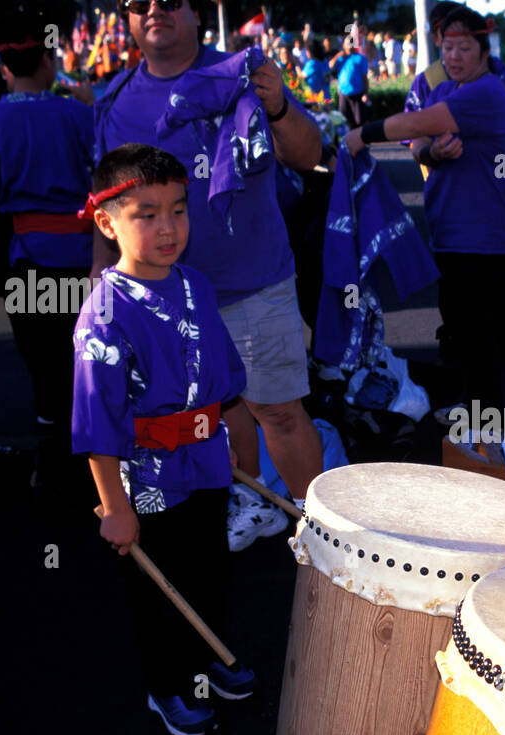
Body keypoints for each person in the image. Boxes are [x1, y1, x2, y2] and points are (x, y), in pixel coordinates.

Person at [93, 0, 324, 552]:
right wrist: (100, 290)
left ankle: (327, 533)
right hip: (165, 298)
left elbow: (309, 155)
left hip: (253, 283)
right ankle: (251, 499)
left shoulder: (245, 75)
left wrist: (279, 106)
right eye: (136, 4)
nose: (153, 10)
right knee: (215, 411)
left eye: (169, 1)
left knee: (279, 412)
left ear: (196, 13)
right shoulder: (114, 102)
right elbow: (106, 211)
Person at [74, 144, 256, 735]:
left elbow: (220, 377)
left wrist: (221, 439)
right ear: (107, 221)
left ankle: (205, 654)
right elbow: (97, 423)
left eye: (178, 210)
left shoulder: (195, 284)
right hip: (145, 477)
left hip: (203, 461)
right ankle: (166, 685)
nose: (168, 227)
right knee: (160, 583)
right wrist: (115, 508)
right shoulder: (105, 315)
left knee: (208, 567)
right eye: (145, 214)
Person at [345, 5, 505, 412]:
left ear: (482, 50)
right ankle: (470, 413)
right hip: (449, 234)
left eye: (464, 47)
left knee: (481, 338)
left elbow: (412, 124)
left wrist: (361, 135)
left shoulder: (488, 91)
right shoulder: (444, 90)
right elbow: (418, 141)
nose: (454, 56)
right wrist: (434, 152)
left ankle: (489, 429)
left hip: (484, 237)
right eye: (447, 47)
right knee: (459, 331)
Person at [0, 11, 96, 435]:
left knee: (42, 364)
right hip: (83, 258)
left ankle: (51, 456)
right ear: (48, 60)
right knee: (86, 361)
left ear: (6, 68)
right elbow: (103, 174)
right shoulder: (78, 114)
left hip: (26, 258)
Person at [330, 34, 368, 127]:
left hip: (357, 94)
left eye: (351, 44)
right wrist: (338, 56)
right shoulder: (340, 58)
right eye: (348, 44)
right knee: (344, 120)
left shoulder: (360, 58)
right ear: (343, 45)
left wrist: (365, 93)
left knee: (359, 122)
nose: (349, 46)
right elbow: (330, 66)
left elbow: (364, 78)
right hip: (343, 93)